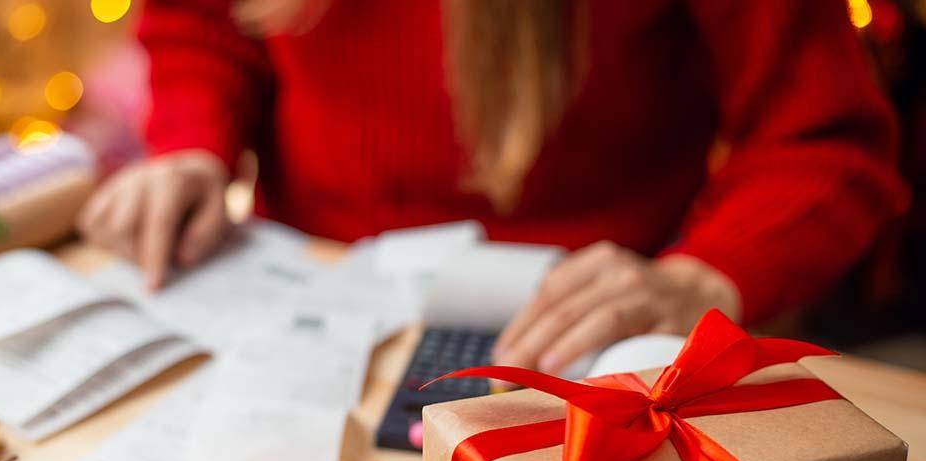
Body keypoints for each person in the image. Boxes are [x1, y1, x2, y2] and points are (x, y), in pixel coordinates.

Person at [78, 0, 907, 373]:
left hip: (573, 338)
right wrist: (192, 146)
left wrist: (701, 275)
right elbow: (202, 24)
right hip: (302, 303)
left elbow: (827, 144)